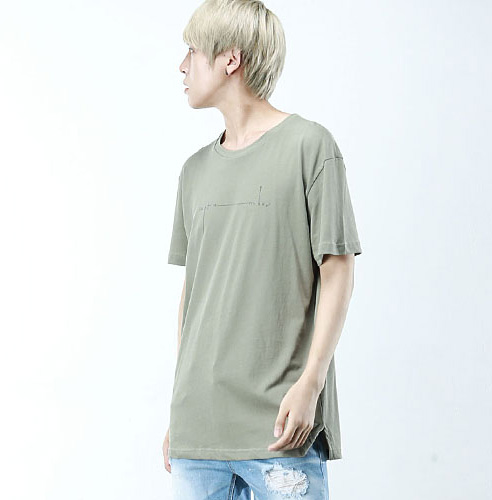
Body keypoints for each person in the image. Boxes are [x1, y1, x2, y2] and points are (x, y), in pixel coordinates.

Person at [163, 0, 363, 498]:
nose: (182, 66)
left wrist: (312, 382)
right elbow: (193, 293)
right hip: (197, 429)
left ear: (230, 59)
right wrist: (179, 411)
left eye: (192, 51)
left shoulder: (310, 146)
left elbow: (337, 270)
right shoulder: (194, 171)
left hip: (280, 426)